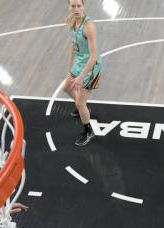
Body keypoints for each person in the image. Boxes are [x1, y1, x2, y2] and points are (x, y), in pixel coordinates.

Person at [63, 0, 103, 147]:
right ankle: (83, 107)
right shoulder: (71, 21)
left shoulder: (89, 27)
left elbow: (93, 56)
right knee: (66, 87)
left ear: (83, 6)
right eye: (73, 6)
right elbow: (74, 46)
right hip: (80, 63)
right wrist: (70, 65)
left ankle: (88, 131)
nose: (76, 9)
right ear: (69, 7)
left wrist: (80, 76)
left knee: (80, 102)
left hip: (91, 67)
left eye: (79, 6)